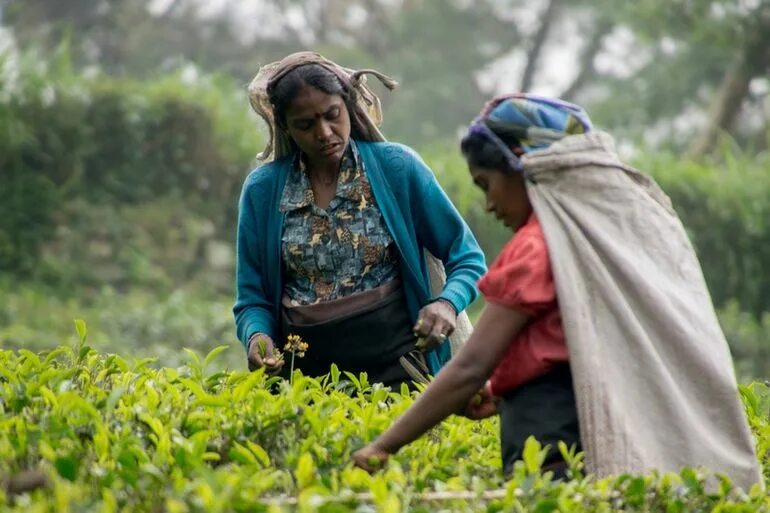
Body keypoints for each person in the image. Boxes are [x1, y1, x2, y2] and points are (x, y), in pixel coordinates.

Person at [353, 93, 762, 490]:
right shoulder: (610, 238)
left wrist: (382, 447)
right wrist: (504, 390)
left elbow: (469, 367)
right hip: (606, 440)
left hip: (551, 444)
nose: (489, 205)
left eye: (486, 184)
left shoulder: (534, 249)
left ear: (528, 170)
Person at [233, 52, 486, 389]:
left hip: (399, 371)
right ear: (285, 127)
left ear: (348, 105)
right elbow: (253, 298)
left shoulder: (396, 168)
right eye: (305, 125)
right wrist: (257, 336)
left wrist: (446, 304)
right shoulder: (263, 191)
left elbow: (466, 256)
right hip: (304, 383)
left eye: (332, 115)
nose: (323, 132)